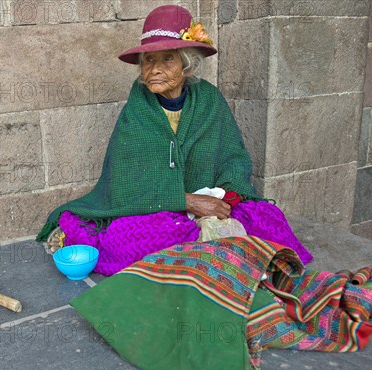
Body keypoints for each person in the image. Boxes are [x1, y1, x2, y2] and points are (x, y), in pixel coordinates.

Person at [37, 4, 313, 275]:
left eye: (167, 58)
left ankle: (209, 259)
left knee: (265, 217)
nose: (154, 69)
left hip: (209, 201)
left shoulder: (210, 100)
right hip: (157, 209)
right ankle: (213, 261)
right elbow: (124, 183)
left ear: (188, 66)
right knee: (129, 239)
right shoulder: (137, 109)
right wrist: (186, 201)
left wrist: (224, 200)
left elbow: (233, 158)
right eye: (149, 60)